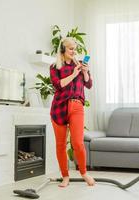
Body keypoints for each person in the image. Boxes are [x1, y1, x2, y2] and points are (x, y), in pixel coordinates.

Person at [50, 37, 95, 187]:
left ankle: (84, 173)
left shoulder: (79, 65)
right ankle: (65, 176)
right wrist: (74, 74)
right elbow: (59, 85)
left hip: (76, 106)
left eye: (75, 49)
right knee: (60, 145)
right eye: (71, 49)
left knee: (77, 142)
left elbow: (88, 84)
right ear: (63, 50)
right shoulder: (55, 67)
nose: (74, 51)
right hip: (59, 108)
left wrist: (86, 72)